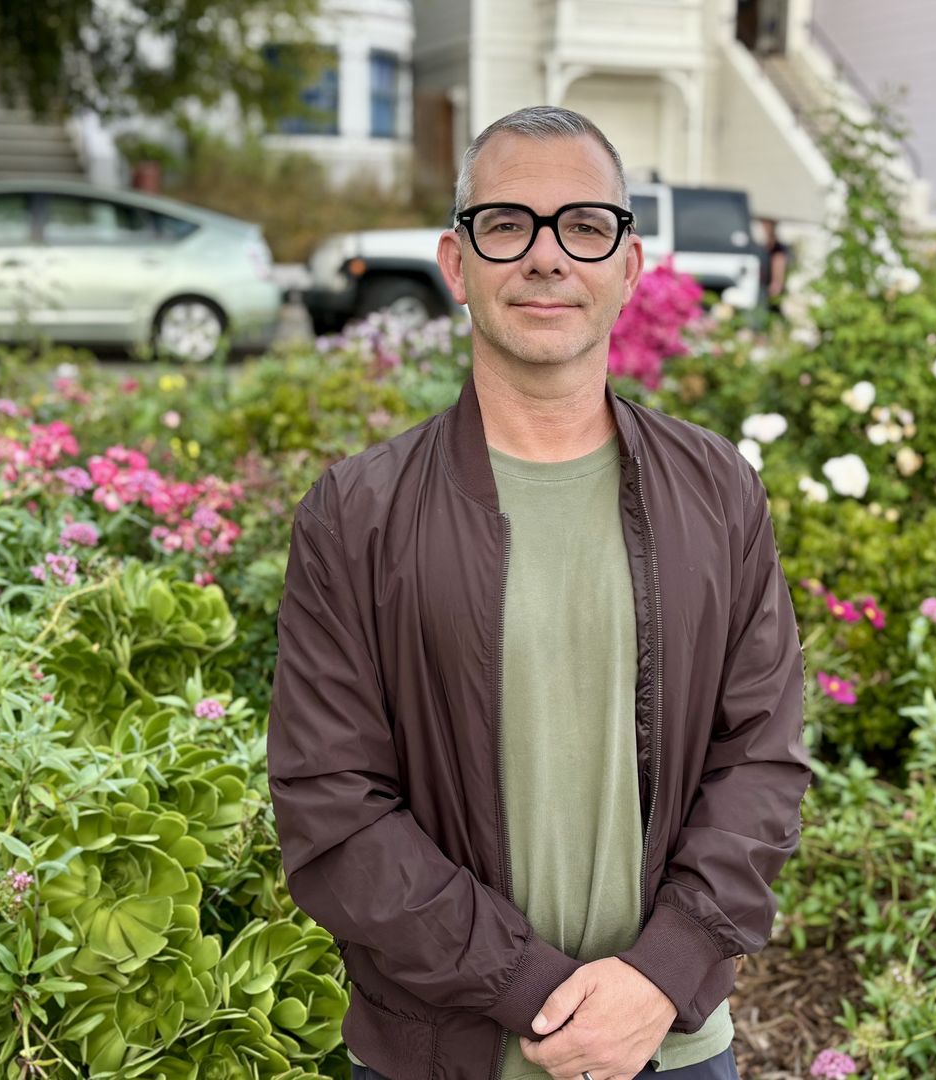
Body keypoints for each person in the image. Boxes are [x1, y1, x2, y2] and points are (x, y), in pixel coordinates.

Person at [267, 105, 810, 1080]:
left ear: (629, 264)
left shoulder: (717, 491)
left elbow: (761, 762)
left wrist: (661, 975)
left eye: (585, 226)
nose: (547, 257)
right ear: (456, 260)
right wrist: (532, 991)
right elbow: (333, 809)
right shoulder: (358, 514)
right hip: (440, 1055)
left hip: (675, 1050)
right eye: (508, 223)